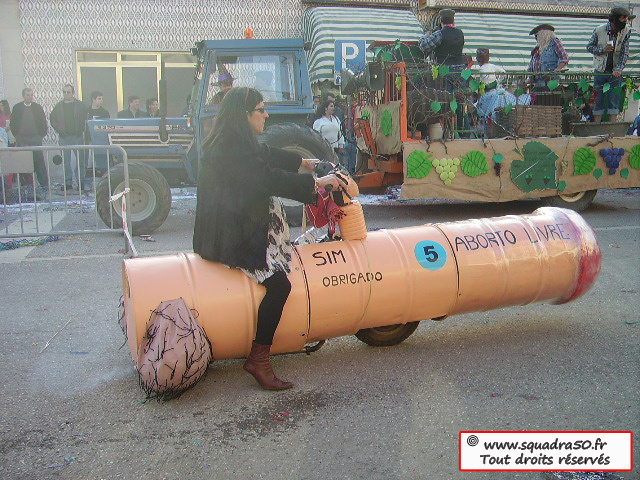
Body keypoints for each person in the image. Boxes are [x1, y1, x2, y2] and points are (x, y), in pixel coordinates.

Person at [192, 87, 344, 390]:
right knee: (279, 286)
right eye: (260, 109)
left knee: (288, 264)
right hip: (230, 236)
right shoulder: (230, 149)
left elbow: (265, 155)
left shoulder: (234, 141)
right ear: (244, 115)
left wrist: (305, 163)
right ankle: (258, 358)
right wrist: (316, 184)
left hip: (237, 225)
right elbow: (266, 177)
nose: (266, 114)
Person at [586, 7, 635, 123]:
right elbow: (589, 47)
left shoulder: (626, 31)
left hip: (615, 71)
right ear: (615, 19)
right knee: (598, 98)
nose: (626, 20)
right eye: (623, 18)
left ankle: (612, 126)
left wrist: (619, 68)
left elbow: (624, 52)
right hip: (600, 70)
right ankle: (596, 125)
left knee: (614, 99)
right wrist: (602, 49)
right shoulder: (599, 30)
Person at [50, 84, 89, 191]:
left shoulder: (80, 105)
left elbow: (86, 118)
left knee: (80, 161)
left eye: (68, 92)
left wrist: (81, 129)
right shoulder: (59, 106)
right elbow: (52, 119)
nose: (66, 94)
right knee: (66, 162)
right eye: (64, 92)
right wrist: (59, 130)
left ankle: (80, 182)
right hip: (64, 137)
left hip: (77, 137)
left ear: (73, 93)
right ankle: (68, 183)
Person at [10, 88, 49, 191]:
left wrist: (40, 136)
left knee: (39, 161)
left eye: (31, 95)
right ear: (23, 96)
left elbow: (43, 122)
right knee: (23, 162)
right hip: (22, 139)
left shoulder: (38, 107)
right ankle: (25, 185)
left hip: (36, 138)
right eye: (28, 95)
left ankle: (44, 185)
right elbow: (13, 123)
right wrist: (17, 136)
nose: (30, 97)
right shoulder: (17, 107)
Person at [528, 24, 569, 88]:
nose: (536, 38)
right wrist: (530, 77)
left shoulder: (555, 42)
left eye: (537, 35)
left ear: (544, 34)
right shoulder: (537, 48)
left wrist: (557, 69)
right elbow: (531, 64)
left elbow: (564, 58)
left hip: (550, 80)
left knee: (551, 93)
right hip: (537, 82)